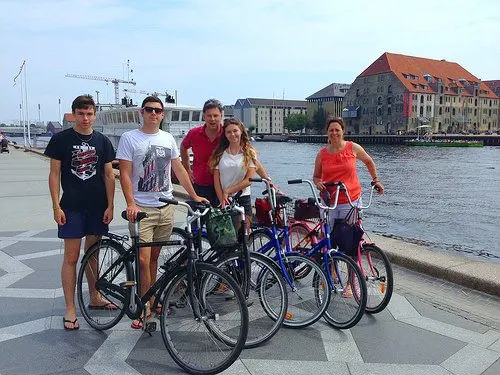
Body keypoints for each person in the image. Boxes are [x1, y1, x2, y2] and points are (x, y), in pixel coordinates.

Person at [116, 96, 208, 329]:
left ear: (162, 114)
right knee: (143, 260)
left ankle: (151, 299)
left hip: (165, 206)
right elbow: (125, 174)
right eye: (149, 110)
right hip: (142, 208)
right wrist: (130, 203)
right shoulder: (129, 138)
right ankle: (142, 306)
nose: (153, 114)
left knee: (155, 258)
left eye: (158, 111)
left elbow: (178, 168)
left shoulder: (167, 139)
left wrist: (194, 195)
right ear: (142, 112)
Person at [44, 95, 116, 330]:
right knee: (71, 257)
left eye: (89, 114)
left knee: (92, 255)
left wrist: (111, 205)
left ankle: (95, 297)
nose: (85, 118)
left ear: (95, 115)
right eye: (81, 114)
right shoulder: (60, 140)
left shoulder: (103, 141)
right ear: (74, 114)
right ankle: (70, 308)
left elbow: (108, 175)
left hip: (97, 206)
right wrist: (56, 206)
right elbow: (54, 175)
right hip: (72, 207)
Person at [181, 99, 276, 206]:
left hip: (222, 187)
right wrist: (187, 169)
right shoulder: (194, 134)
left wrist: (269, 182)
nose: (212, 119)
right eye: (209, 116)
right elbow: (183, 147)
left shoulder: (227, 134)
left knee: (219, 221)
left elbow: (252, 160)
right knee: (196, 220)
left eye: (215, 115)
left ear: (221, 116)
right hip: (200, 185)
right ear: (204, 117)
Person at [313, 116, 384, 223]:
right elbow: (316, 177)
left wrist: (376, 180)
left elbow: (369, 162)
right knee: (329, 235)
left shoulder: (353, 148)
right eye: (331, 130)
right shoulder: (322, 154)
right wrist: (318, 183)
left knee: (350, 235)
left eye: (337, 130)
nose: (334, 133)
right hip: (329, 201)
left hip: (350, 200)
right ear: (327, 132)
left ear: (343, 131)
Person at [209, 118, 257, 233]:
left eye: (235, 131)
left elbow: (249, 180)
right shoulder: (220, 154)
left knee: (244, 235)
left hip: (243, 197)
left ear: (241, 131)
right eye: (229, 132)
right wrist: (222, 200)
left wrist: (229, 190)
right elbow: (217, 181)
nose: (232, 134)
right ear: (225, 135)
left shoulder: (249, 153)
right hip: (225, 200)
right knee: (228, 236)